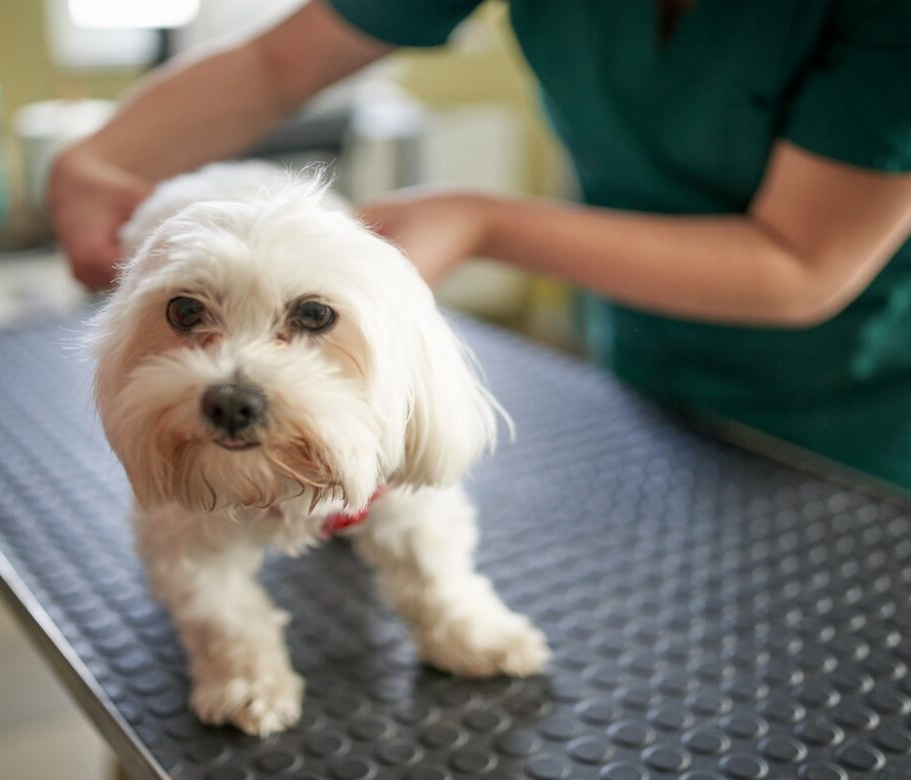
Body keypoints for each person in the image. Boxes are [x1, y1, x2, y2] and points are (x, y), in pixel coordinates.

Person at [49, 0, 911, 491]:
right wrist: (95, 159)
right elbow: (278, 63)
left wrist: (481, 220)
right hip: (644, 364)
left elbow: (804, 264)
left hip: (863, 415)